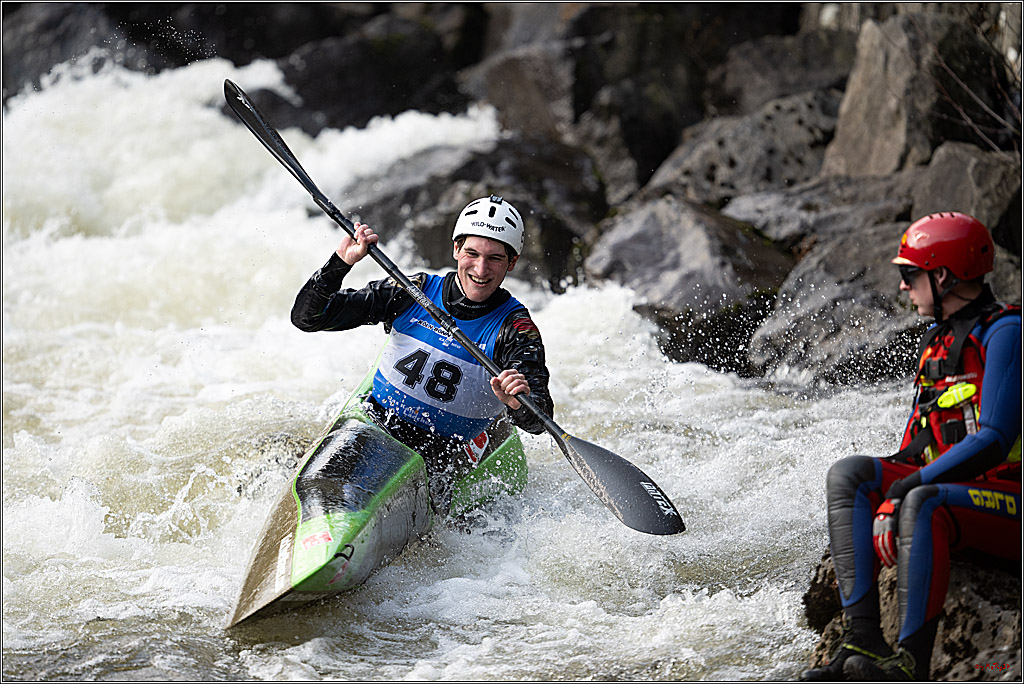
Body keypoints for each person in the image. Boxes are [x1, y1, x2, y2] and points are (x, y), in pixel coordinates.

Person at [800, 212, 1021, 681]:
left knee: (920, 500)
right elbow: (920, 441)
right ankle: (862, 638)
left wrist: (903, 491)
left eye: (910, 275)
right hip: (957, 492)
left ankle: (910, 666)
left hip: (1009, 500)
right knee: (850, 474)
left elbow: (995, 441)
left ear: (942, 275)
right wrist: (888, 484)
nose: (904, 287)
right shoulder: (939, 341)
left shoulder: (1007, 334)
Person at [290, 195, 553, 516]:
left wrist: (515, 401)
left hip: (446, 454)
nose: (481, 269)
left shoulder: (516, 329)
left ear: (512, 263)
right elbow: (308, 318)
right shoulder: (411, 289)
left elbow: (540, 419)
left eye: (495, 259)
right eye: (471, 253)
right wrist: (339, 264)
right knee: (321, 489)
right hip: (377, 423)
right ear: (456, 249)